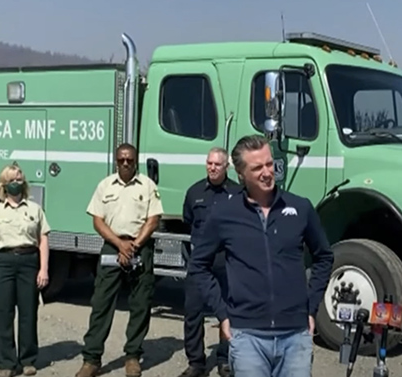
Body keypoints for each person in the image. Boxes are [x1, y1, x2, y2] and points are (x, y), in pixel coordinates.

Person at [188, 134, 334, 377]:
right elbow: (199, 265)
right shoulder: (224, 214)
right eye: (257, 168)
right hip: (247, 337)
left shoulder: (300, 208)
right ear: (241, 174)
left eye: (269, 163)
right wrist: (223, 315)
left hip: (295, 336)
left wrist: (311, 308)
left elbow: (324, 257)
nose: (267, 172)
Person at [74, 143, 164, 377]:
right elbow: (97, 221)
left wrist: (133, 246)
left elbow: (153, 220)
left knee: (140, 304)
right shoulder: (105, 186)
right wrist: (119, 244)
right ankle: (91, 359)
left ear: (136, 161)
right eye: (122, 160)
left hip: (139, 247)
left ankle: (133, 356)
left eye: (130, 160)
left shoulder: (147, 186)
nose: (126, 163)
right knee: (101, 303)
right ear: (116, 161)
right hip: (112, 246)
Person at [0, 163, 51, 377]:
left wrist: (43, 269)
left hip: (28, 261)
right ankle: (6, 364)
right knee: (2, 314)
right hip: (2, 263)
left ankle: (27, 360)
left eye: (19, 179)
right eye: (12, 180)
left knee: (28, 313)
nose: (16, 183)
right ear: (3, 185)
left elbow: (43, 240)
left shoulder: (35, 209)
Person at [178, 147, 240, 377]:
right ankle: (196, 362)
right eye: (209, 163)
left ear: (226, 167)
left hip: (227, 262)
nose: (212, 168)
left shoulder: (238, 192)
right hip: (200, 262)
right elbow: (188, 221)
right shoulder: (194, 192)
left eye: (217, 164)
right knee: (193, 312)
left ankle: (224, 359)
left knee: (227, 311)